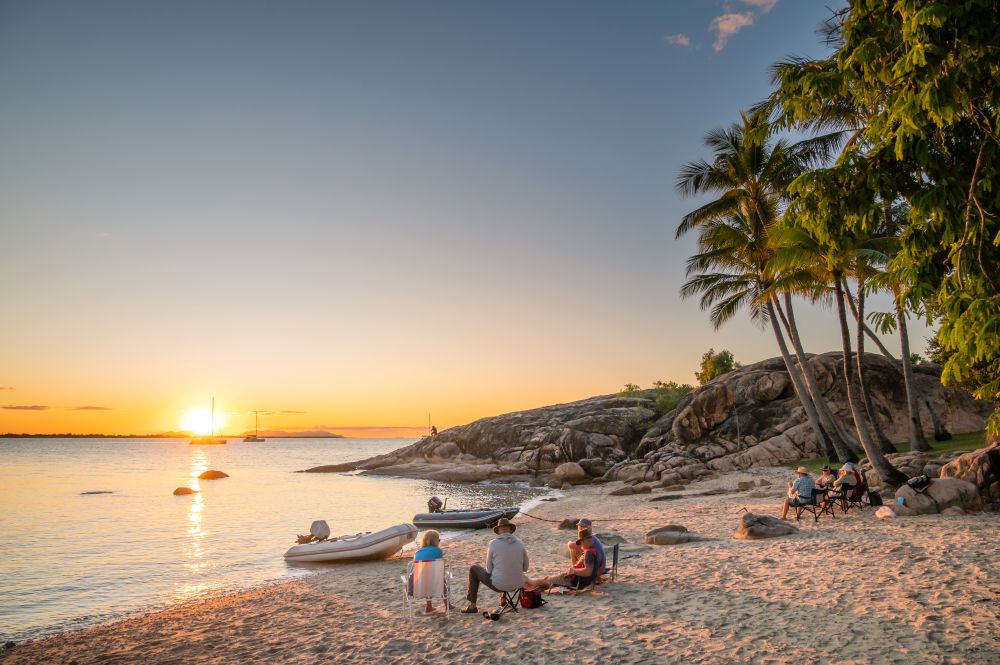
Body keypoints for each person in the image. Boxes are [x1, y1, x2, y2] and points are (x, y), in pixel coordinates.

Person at [461, 518, 529, 614]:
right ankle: (503, 600)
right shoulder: (520, 543)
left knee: (474, 569)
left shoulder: (493, 544)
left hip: (500, 585)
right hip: (518, 583)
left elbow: (489, 569)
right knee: (503, 569)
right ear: (510, 529)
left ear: (499, 531)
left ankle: (472, 606)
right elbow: (525, 568)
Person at [526, 530, 601, 591]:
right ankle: (534, 588)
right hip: (581, 581)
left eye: (580, 543)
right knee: (547, 584)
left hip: (573, 581)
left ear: (584, 541)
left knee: (545, 580)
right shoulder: (595, 551)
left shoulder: (589, 554)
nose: (580, 545)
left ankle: (527, 580)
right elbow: (593, 570)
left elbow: (588, 572)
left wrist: (574, 570)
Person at [412, 530, 444, 613]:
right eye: (438, 540)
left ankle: (429, 606)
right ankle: (448, 605)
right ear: (434, 541)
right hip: (434, 585)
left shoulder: (417, 552)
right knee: (437, 576)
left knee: (426, 575)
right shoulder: (438, 551)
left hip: (416, 586)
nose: (439, 541)